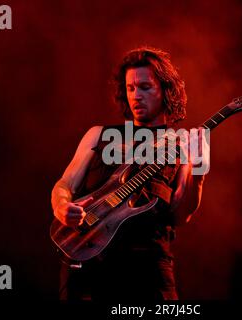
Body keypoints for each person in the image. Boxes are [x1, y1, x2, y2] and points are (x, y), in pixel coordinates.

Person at [51, 47, 208, 301]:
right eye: (131, 88)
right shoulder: (98, 135)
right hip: (87, 262)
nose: (136, 96)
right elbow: (65, 183)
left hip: (148, 267)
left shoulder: (182, 145)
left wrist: (198, 172)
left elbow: (181, 215)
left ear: (166, 90)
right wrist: (61, 206)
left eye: (145, 87)